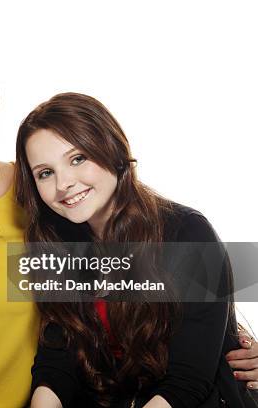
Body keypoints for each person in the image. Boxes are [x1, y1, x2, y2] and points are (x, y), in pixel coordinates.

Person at [0, 32, 258, 408]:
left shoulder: (60, 208)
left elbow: (194, 333)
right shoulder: (51, 223)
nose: (64, 184)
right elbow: (59, 350)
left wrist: (234, 337)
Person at [14, 92, 258, 407]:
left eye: (78, 159)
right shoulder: (57, 245)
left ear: (112, 150)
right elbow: (57, 361)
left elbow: (188, 381)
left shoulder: (187, 232)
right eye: (45, 173)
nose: (63, 183)